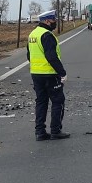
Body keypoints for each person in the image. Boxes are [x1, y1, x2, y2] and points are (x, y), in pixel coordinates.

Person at [27, 10, 69, 141]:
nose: (54, 23)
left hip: (36, 74)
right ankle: (55, 131)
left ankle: (40, 132)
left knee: (41, 102)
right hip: (50, 75)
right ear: (46, 21)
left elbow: (29, 55)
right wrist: (62, 72)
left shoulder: (33, 34)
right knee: (58, 102)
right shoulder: (47, 35)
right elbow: (51, 56)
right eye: (53, 20)